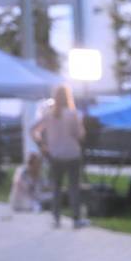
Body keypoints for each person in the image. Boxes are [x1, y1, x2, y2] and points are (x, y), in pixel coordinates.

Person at [32, 85, 87, 228]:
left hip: (55, 155)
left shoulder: (49, 114)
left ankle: (56, 218)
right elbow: (79, 135)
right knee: (74, 187)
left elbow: (33, 130)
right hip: (72, 154)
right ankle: (76, 219)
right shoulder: (73, 114)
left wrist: (42, 144)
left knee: (56, 187)